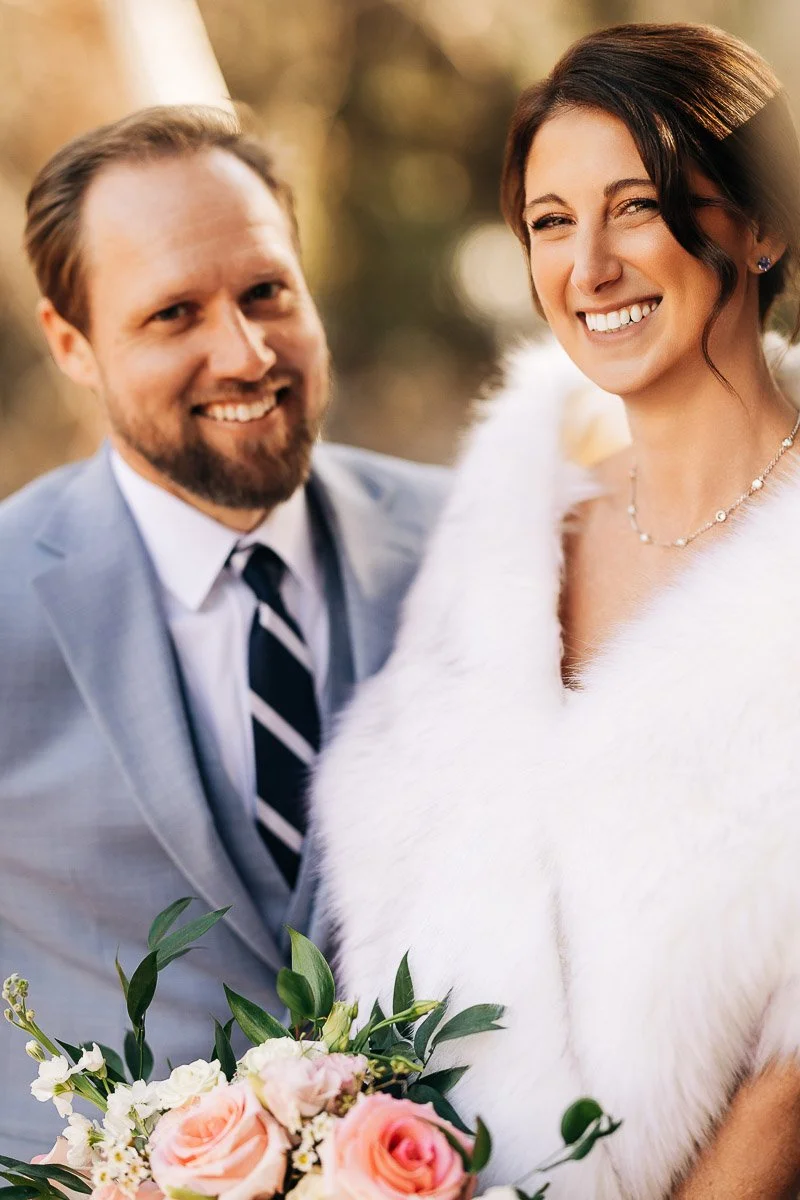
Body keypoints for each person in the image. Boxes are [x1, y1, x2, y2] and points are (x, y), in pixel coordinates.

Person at [316, 23, 800, 1199]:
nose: (586, 268)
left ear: (759, 223)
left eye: (634, 207)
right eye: (547, 222)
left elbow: (792, 1081)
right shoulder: (501, 543)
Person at [0, 105, 448, 1157]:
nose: (245, 354)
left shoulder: (479, 543)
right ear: (71, 342)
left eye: (266, 293)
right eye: (173, 315)